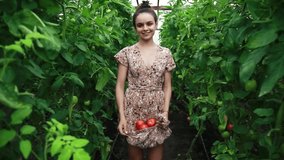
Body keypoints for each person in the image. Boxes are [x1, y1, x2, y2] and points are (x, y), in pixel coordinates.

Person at [114, 1, 176, 160]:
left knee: (156, 155)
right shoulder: (126, 53)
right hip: (133, 109)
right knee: (135, 156)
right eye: (140, 25)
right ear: (135, 28)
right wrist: (122, 116)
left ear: (156, 24)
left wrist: (165, 111)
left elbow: (167, 86)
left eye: (149, 23)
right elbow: (120, 86)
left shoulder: (165, 53)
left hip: (156, 108)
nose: (145, 28)